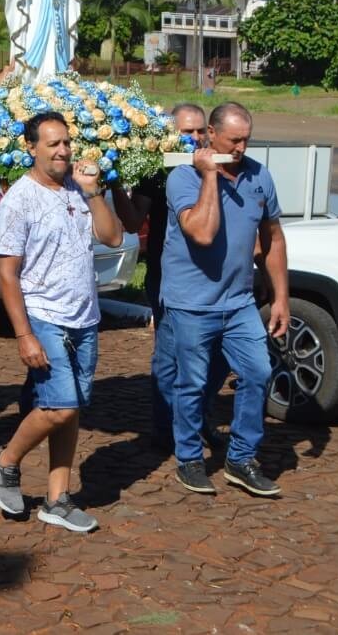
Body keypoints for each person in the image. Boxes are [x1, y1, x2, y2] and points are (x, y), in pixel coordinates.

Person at [0, 111, 123, 534]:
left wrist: (94, 192)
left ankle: (57, 498)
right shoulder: (19, 200)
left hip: (85, 316)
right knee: (60, 404)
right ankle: (4, 461)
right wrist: (24, 334)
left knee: (71, 409)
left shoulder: (79, 191)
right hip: (44, 315)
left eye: (66, 142)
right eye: (52, 144)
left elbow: (113, 237)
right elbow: (8, 273)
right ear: (31, 148)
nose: (63, 150)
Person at [162, 102, 289, 498]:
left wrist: (281, 296)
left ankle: (241, 458)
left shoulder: (258, 176)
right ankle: (189, 460)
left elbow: (274, 238)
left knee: (257, 373)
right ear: (210, 135)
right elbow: (201, 232)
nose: (241, 147)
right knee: (194, 384)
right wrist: (210, 177)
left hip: (238, 302)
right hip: (191, 303)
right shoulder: (183, 178)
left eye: (247, 139)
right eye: (234, 139)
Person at [111, 102, 227, 455]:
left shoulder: (220, 168)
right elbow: (132, 222)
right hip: (168, 276)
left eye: (200, 130)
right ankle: (166, 430)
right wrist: (113, 182)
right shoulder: (157, 172)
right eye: (186, 131)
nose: (195, 137)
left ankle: (198, 416)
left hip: (215, 274)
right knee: (170, 356)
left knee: (223, 352)